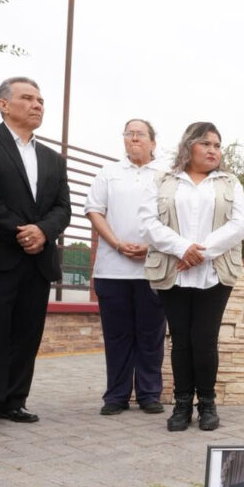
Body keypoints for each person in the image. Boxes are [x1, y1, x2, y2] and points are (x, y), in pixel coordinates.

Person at [0, 77, 71, 433]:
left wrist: (44, 231)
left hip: (36, 260)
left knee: (26, 333)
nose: (37, 104)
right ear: (4, 104)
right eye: (27, 98)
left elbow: (62, 208)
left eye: (40, 99)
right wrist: (22, 230)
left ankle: (13, 400)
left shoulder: (53, 158)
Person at [139, 122, 244, 432]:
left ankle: (208, 404)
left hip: (214, 273)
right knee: (181, 341)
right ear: (189, 147)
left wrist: (201, 252)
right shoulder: (163, 180)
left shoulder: (230, 182)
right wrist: (181, 248)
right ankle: (182, 403)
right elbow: (148, 222)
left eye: (217, 145)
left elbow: (241, 224)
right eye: (206, 144)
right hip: (174, 272)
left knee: (205, 340)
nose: (213, 150)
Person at [85, 119, 166, 416]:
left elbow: (173, 219)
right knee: (117, 336)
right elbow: (94, 210)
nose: (134, 138)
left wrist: (151, 246)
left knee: (151, 334)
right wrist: (117, 243)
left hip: (153, 268)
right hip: (112, 269)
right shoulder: (109, 173)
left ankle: (148, 394)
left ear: (153, 142)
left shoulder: (166, 175)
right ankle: (116, 395)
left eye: (140, 134)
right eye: (129, 133)